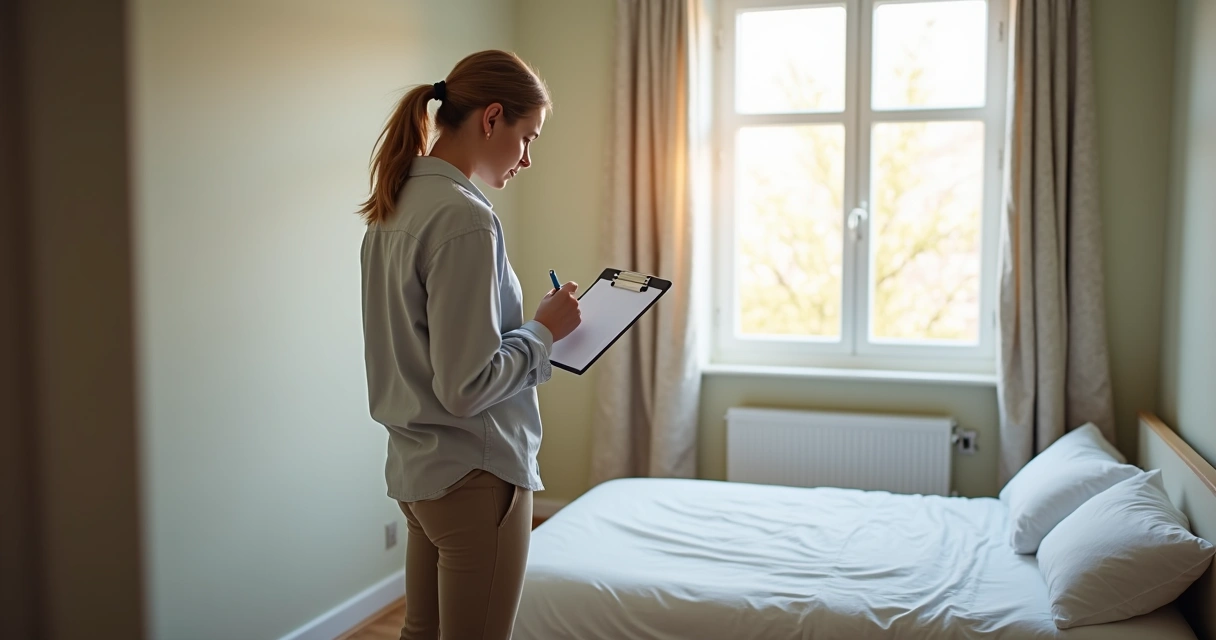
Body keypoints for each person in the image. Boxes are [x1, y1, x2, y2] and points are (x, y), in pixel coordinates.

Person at [357, 50, 581, 640]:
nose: (528, 159)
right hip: (474, 474)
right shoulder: (465, 220)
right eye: (526, 138)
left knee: (420, 632)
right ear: (491, 118)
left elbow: (434, 357)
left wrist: (531, 332)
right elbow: (465, 387)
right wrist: (543, 332)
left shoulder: (394, 203)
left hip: (418, 472)